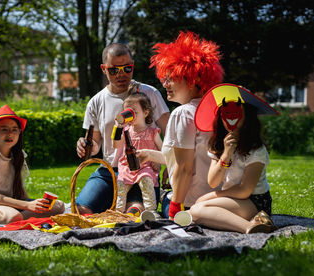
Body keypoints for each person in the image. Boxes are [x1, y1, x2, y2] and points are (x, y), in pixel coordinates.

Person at [137, 30, 224, 219]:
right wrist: (150, 155)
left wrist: (175, 208)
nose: (165, 83)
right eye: (164, 77)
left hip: (190, 202)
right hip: (217, 199)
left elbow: (185, 168)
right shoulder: (214, 109)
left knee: (157, 203)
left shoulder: (182, 113)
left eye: (171, 77)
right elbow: (195, 157)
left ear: (192, 80)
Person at [76, 43, 170, 214]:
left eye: (127, 68)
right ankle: (111, 204)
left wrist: (170, 164)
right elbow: (95, 143)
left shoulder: (150, 93)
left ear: (133, 66)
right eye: (114, 70)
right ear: (104, 69)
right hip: (109, 171)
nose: (121, 74)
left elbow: (171, 132)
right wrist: (86, 145)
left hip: (144, 169)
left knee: (135, 213)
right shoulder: (96, 102)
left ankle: (138, 202)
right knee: (81, 211)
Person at [189, 84, 278, 234]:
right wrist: (226, 154)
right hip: (234, 197)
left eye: (237, 112)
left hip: (255, 200)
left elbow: (245, 190)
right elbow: (213, 181)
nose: (231, 117)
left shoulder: (256, 149)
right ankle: (254, 222)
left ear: (247, 116)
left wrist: (213, 195)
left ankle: (249, 227)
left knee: (197, 210)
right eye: (226, 112)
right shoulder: (218, 145)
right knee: (197, 207)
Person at [113, 92, 163, 213]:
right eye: (127, 112)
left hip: (145, 166)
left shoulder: (152, 132)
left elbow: (163, 151)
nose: (131, 116)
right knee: (120, 187)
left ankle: (150, 211)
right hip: (127, 166)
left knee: (146, 182)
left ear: (146, 113)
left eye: (134, 112)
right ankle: (119, 212)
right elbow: (116, 145)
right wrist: (118, 127)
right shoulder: (126, 130)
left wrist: (159, 163)